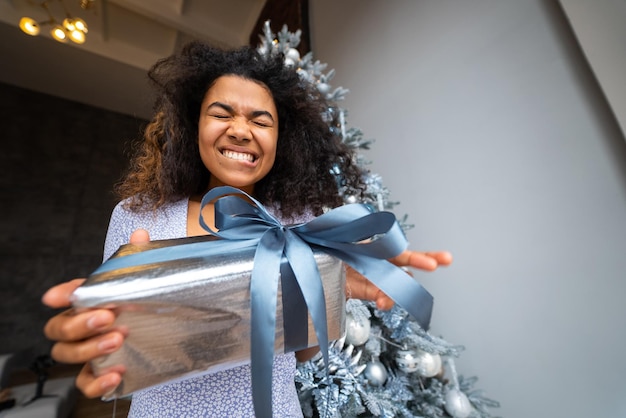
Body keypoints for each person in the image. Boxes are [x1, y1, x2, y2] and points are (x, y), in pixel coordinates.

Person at [42, 42, 452, 417]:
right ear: (192, 126)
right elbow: (116, 350)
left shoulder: (300, 223)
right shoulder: (137, 216)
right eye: (221, 114)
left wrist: (332, 288)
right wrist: (102, 341)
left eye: (261, 120)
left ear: (282, 140)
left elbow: (302, 351)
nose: (240, 130)